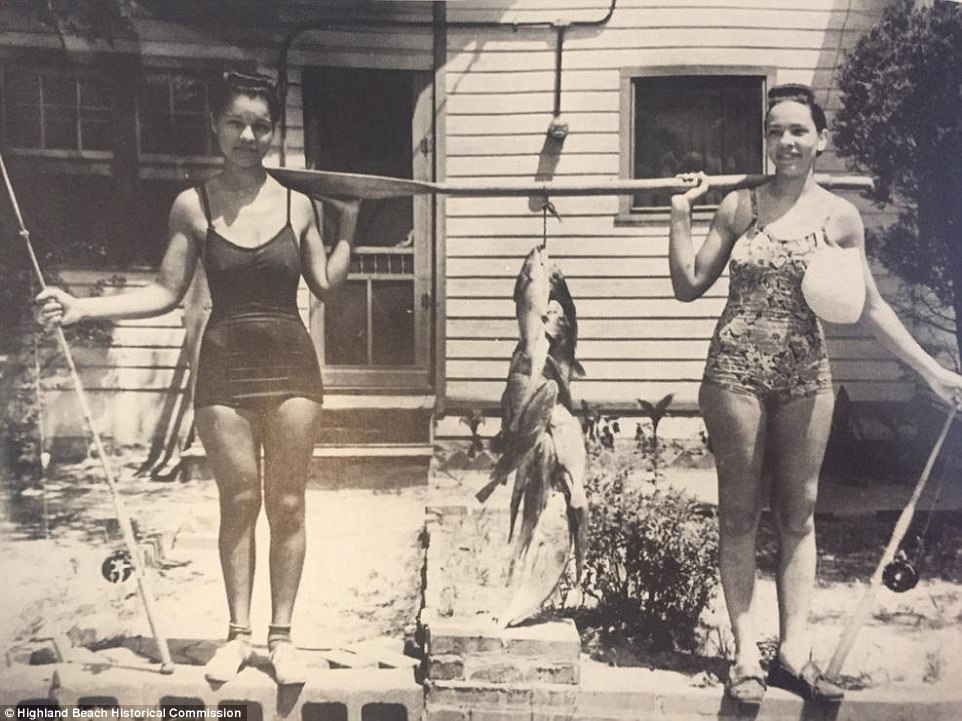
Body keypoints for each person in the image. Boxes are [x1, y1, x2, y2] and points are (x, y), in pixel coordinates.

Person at [37, 71, 360, 686]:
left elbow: (325, 284)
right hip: (224, 367)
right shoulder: (194, 203)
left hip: (292, 365)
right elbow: (164, 291)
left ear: (274, 131)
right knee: (237, 503)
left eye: (261, 125)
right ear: (216, 125)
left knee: (287, 503)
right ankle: (238, 638)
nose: (248, 135)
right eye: (236, 122)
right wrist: (82, 307)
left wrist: (350, 229)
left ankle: (282, 639)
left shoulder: (299, 204)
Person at [668, 83, 962, 704]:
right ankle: (746, 655)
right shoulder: (739, 206)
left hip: (808, 379)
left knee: (799, 517)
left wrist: (934, 374)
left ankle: (794, 653)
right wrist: (680, 212)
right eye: (775, 131)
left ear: (820, 139)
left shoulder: (839, 217)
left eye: (799, 130)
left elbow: (871, 307)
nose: (787, 142)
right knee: (740, 515)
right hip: (734, 376)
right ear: (766, 140)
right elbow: (689, 284)